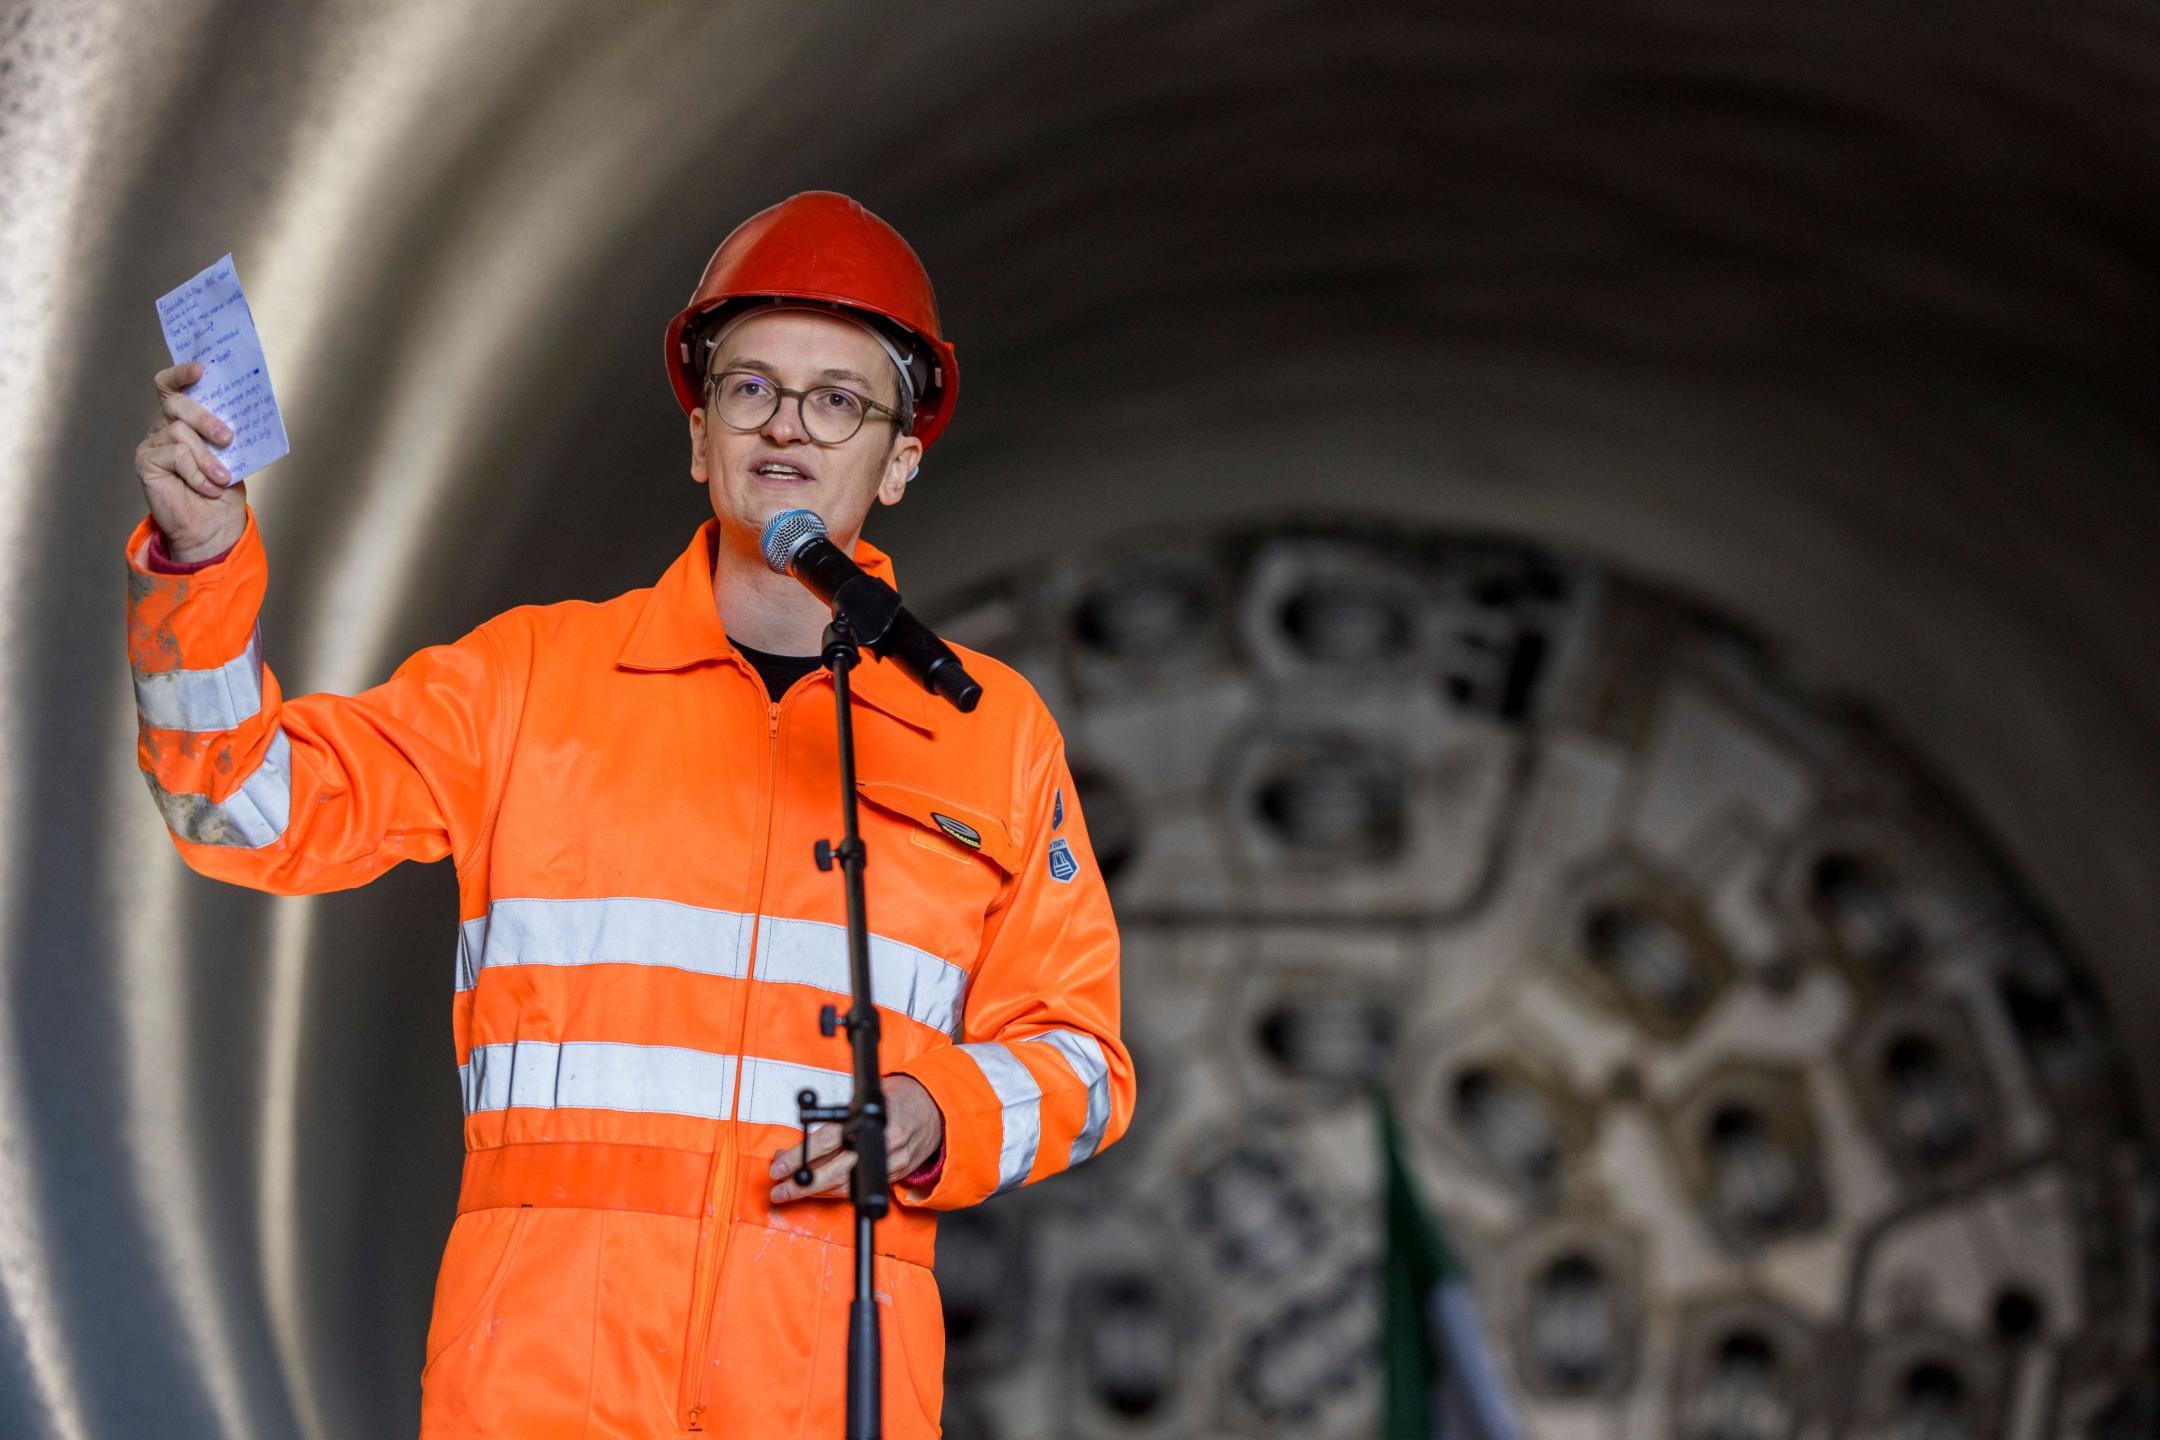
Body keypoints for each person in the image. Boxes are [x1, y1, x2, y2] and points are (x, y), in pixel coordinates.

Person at [125, 191, 1134, 1439]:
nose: (787, 429)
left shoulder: (985, 731)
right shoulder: (528, 684)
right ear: (699, 436)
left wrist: (939, 1113)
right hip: (540, 1391)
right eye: (750, 389)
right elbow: (239, 806)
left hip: (826, 1392)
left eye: (838, 400)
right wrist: (200, 571)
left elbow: (1084, 1065)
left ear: (903, 456)